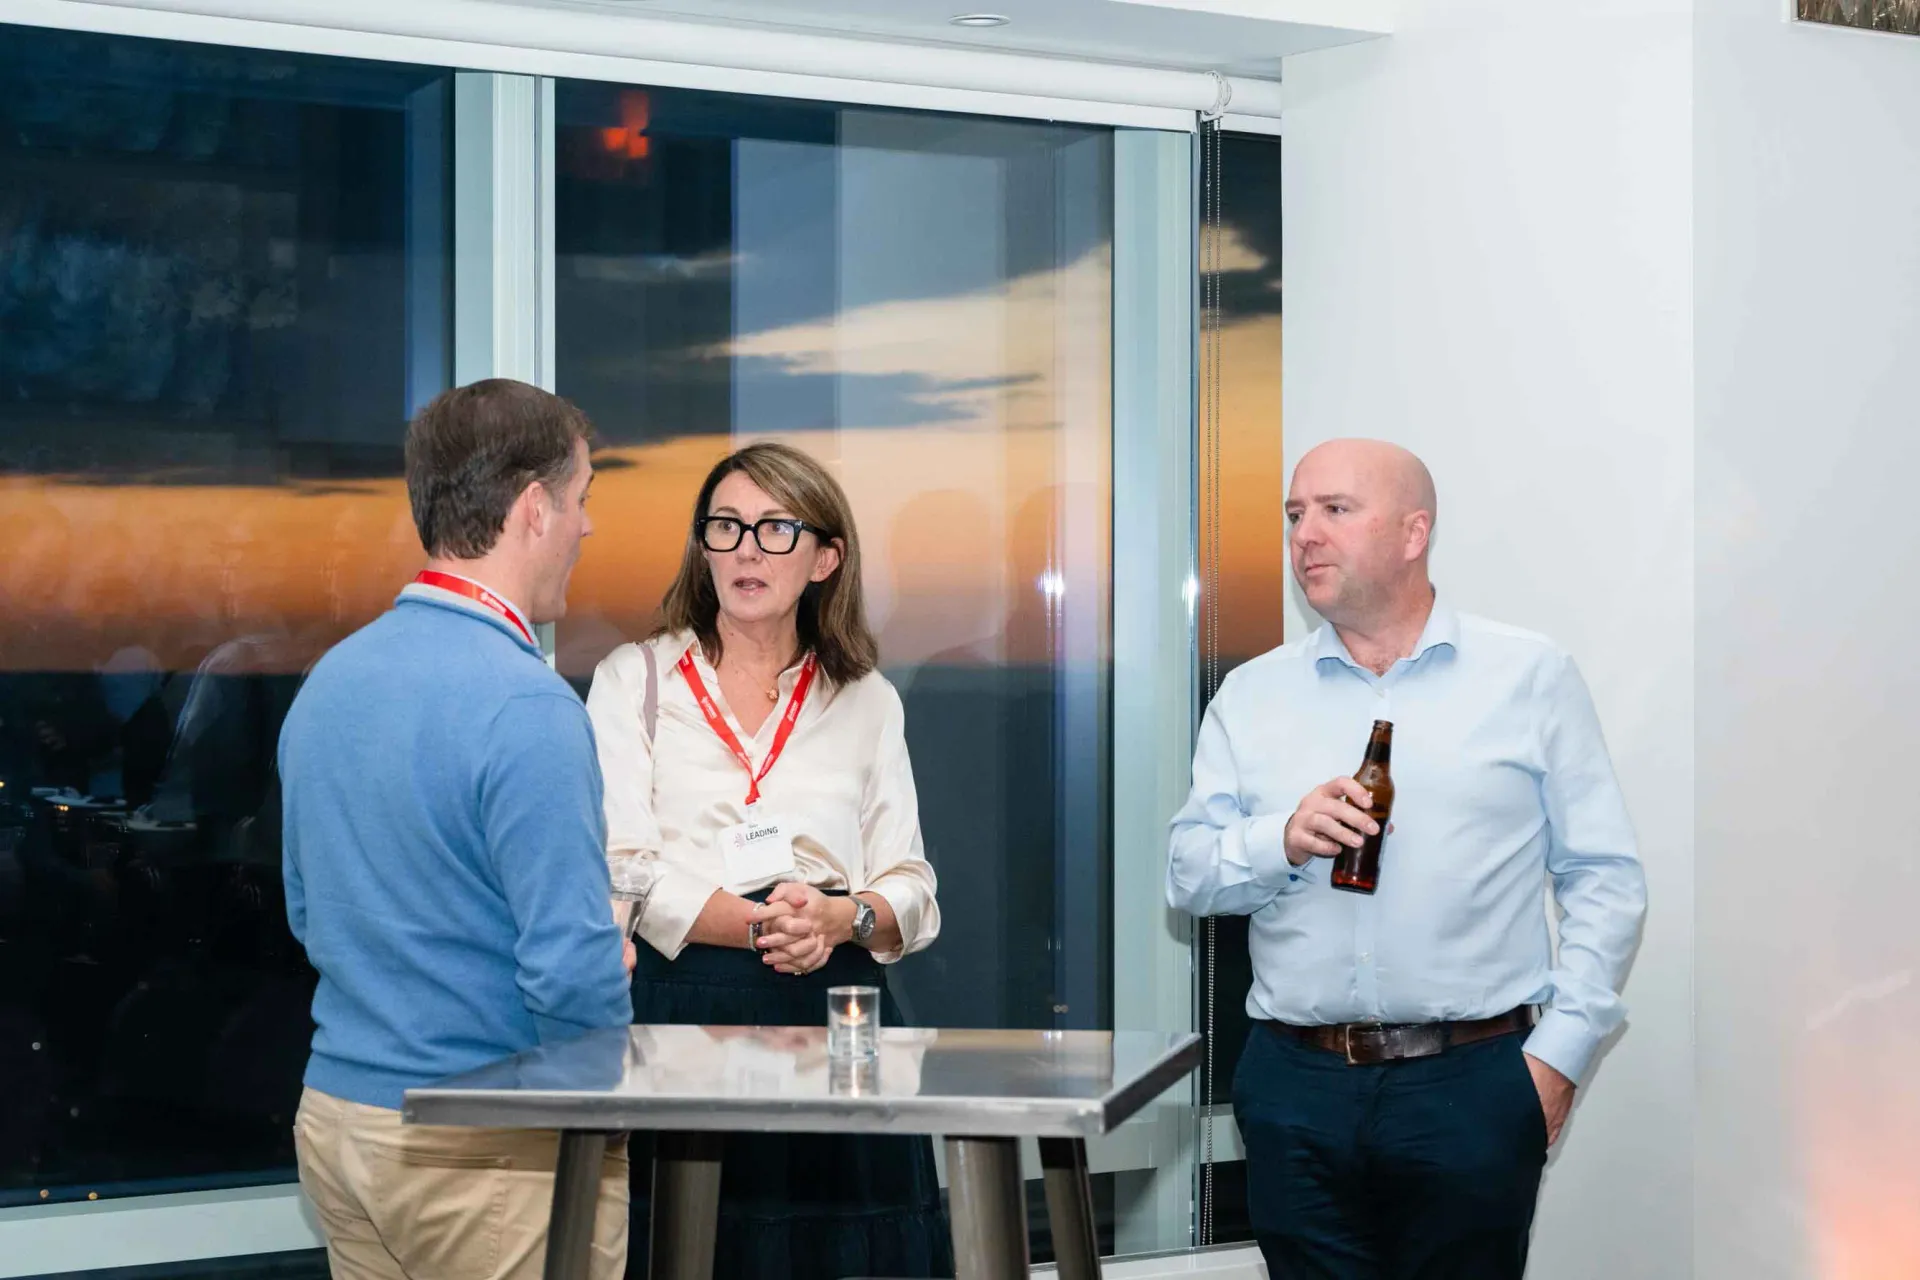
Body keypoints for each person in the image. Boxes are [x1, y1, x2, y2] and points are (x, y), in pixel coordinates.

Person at [1167, 439, 1647, 1280]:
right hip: (1295, 1087)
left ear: (1413, 532)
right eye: (1294, 514)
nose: (1305, 534)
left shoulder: (1528, 676)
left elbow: (1604, 878)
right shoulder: (1251, 695)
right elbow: (1190, 875)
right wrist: (1281, 837)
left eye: (1335, 510)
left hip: (1472, 1084)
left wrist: (1557, 1058)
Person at [279, 379, 635, 1280]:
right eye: (582, 497)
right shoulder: (528, 707)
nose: (588, 526)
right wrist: (610, 1096)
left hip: (341, 1122)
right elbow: (567, 968)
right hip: (486, 1147)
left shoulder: (330, 681)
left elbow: (311, 912)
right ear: (534, 508)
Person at [585, 441, 949, 1279]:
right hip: (684, 1007)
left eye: (775, 529)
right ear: (703, 548)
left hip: (836, 1012)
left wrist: (841, 917)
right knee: (693, 1252)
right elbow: (620, 864)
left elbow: (912, 885)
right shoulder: (635, 679)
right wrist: (762, 927)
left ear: (826, 559)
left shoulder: (865, 698)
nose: (747, 549)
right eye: (726, 526)